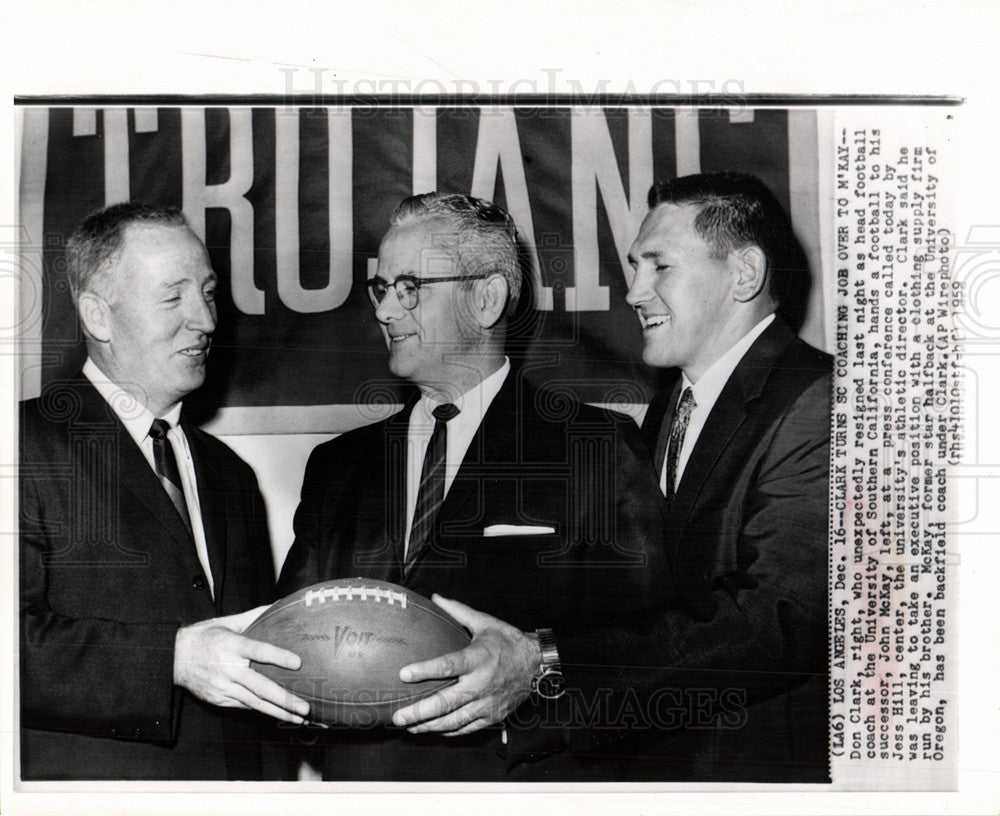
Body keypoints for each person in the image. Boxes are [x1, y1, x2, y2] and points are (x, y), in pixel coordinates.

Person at [396, 173, 832, 782]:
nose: (633, 291)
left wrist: (543, 658)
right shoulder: (675, 405)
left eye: (659, 266)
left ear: (745, 274)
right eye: (633, 266)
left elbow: (775, 617)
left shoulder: (819, 400)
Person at [277, 192, 668, 781]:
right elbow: (288, 645)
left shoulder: (596, 447)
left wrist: (535, 675)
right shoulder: (337, 466)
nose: (385, 312)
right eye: (381, 290)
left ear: (485, 299)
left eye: (409, 288)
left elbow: (650, 649)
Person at [19, 203, 310, 780]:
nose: (204, 320)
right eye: (173, 297)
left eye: (208, 292)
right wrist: (172, 658)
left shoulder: (230, 474)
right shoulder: (21, 444)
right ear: (98, 317)